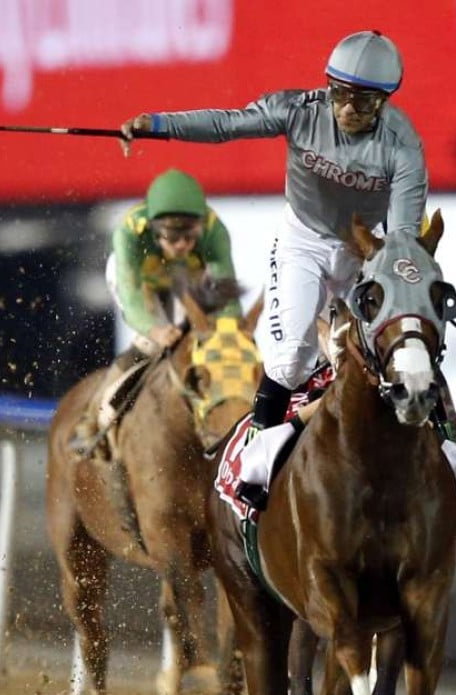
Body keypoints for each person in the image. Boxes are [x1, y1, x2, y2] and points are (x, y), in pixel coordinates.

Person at [118, 30, 427, 508]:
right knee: (289, 362)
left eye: (364, 102)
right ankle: (256, 458)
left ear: (385, 102)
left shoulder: (403, 145)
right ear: (328, 85)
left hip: (365, 251)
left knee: (401, 350)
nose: (347, 109)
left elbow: (403, 239)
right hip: (302, 242)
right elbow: (227, 124)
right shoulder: (299, 110)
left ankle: (441, 439)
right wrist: (158, 124)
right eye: (340, 93)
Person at [69, 168, 241, 457]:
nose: (182, 244)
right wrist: (154, 329)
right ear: (154, 229)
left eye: (190, 236)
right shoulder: (129, 231)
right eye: (173, 238)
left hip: (185, 277)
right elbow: (132, 297)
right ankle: (91, 421)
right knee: (150, 345)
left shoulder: (214, 229)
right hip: (139, 281)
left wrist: (230, 332)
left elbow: (226, 292)